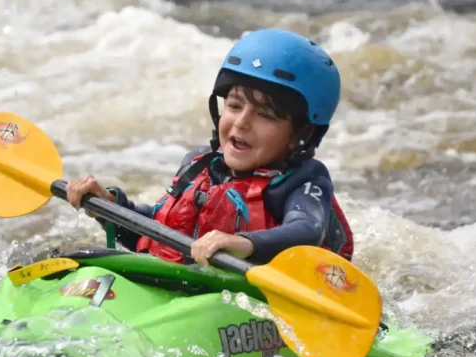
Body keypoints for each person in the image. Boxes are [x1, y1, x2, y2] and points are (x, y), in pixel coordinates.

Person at [66, 28, 353, 267]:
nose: (241, 123)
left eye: (265, 115)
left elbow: (307, 230)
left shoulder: (303, 181)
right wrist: (107, 206)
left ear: (301, 133)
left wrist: (243, 244)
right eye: (234, 106)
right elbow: (157, 234)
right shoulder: (199, 165)